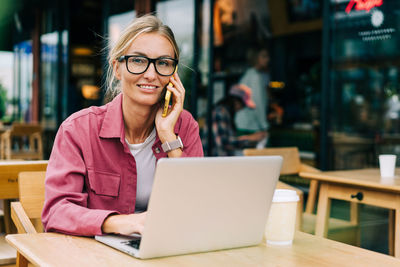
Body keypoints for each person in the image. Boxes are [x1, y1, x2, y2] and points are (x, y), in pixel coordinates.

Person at [41, 15, 203, 237]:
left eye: (163, 63)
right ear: (117, 68)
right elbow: (56, 212)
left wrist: (168, 137)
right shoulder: (78, 129)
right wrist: (122, 223)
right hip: (97, 254)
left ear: (173, 75)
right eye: (138, 60)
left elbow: (199, 207)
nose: (151, 74)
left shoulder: (184, 126)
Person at [203, 84, 267, 156]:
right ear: (236, 101)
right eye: (242, 105)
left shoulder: (224, 112)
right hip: (216, 163)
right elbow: (224, 143)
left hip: (220, 162)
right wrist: (250, 138)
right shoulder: (220, 112)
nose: (240, 109)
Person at [234, 46, 270, 138]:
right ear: (256, 58)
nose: (267, 59)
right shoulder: (255, 77)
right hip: (250, 126)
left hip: (243, 123)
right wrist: (264, 125)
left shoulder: (248, 74)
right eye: (264, 56)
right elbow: (257, 103)